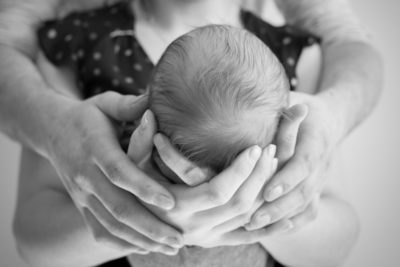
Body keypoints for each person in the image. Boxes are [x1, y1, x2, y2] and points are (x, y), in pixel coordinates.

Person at [0, 0, 381, 266]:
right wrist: (141, 215)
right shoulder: (75, 46)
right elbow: (34, 241)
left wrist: (257, 213)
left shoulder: (297, 57)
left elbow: (338, 241)